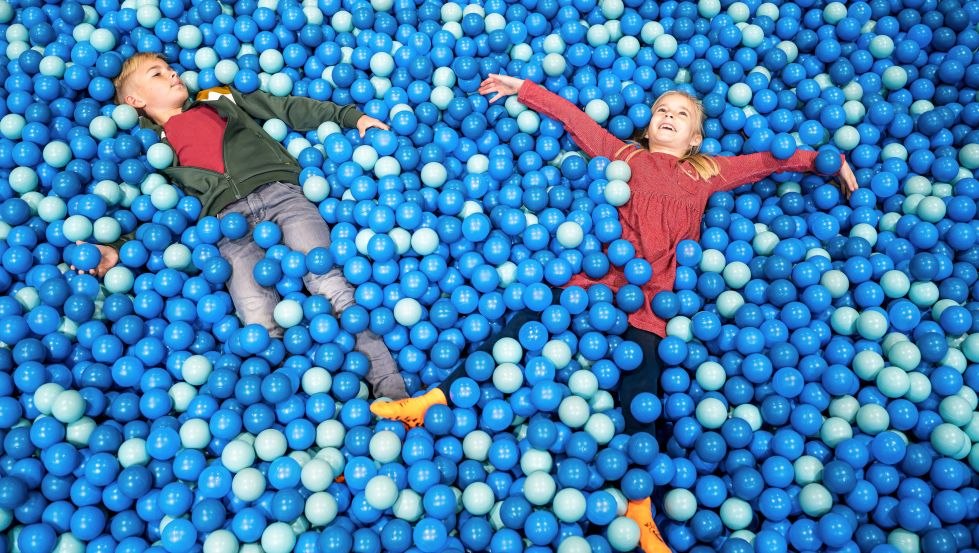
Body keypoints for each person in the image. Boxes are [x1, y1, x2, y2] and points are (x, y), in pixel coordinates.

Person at [371, 73, 859, 553]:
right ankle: (433, 400)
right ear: (647, 128)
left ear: (696, 138)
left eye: (681, 114)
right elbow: (574, 120)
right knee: (513, 334)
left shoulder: (706, 172)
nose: (668, 117)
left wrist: (822, 162)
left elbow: (766, 163)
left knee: (642, 394)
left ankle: (640, 511)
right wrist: (523, 90)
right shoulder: (624, 154)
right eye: (661, 111)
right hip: (597, 283)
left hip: (650, 298)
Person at [99, 52, 409, 400]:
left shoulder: (218, 98)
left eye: (171, 69)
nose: (172, 74)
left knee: (330, 283)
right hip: (226, 224)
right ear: (135, 101)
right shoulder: (149, 146)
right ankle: (290, 410)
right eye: (157, 74)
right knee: (257, 316)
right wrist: (119, 247)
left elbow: (286, 108)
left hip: (281, 195)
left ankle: (395, 394)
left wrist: (351, 116)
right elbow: (158, 214)